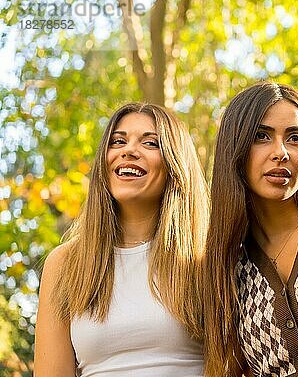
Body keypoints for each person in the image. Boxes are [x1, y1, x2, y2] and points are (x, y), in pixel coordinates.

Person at [34, 103, 209, 376]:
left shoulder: (206, 258)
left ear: (175, 165)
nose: (128, 151)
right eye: (118, 141)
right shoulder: (65, 264)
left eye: (150, 143)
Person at [202, 82, 298, 376]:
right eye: (261, 136)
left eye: (295, 138)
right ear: (235, 148)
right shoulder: (228, 265)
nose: (281, 152)